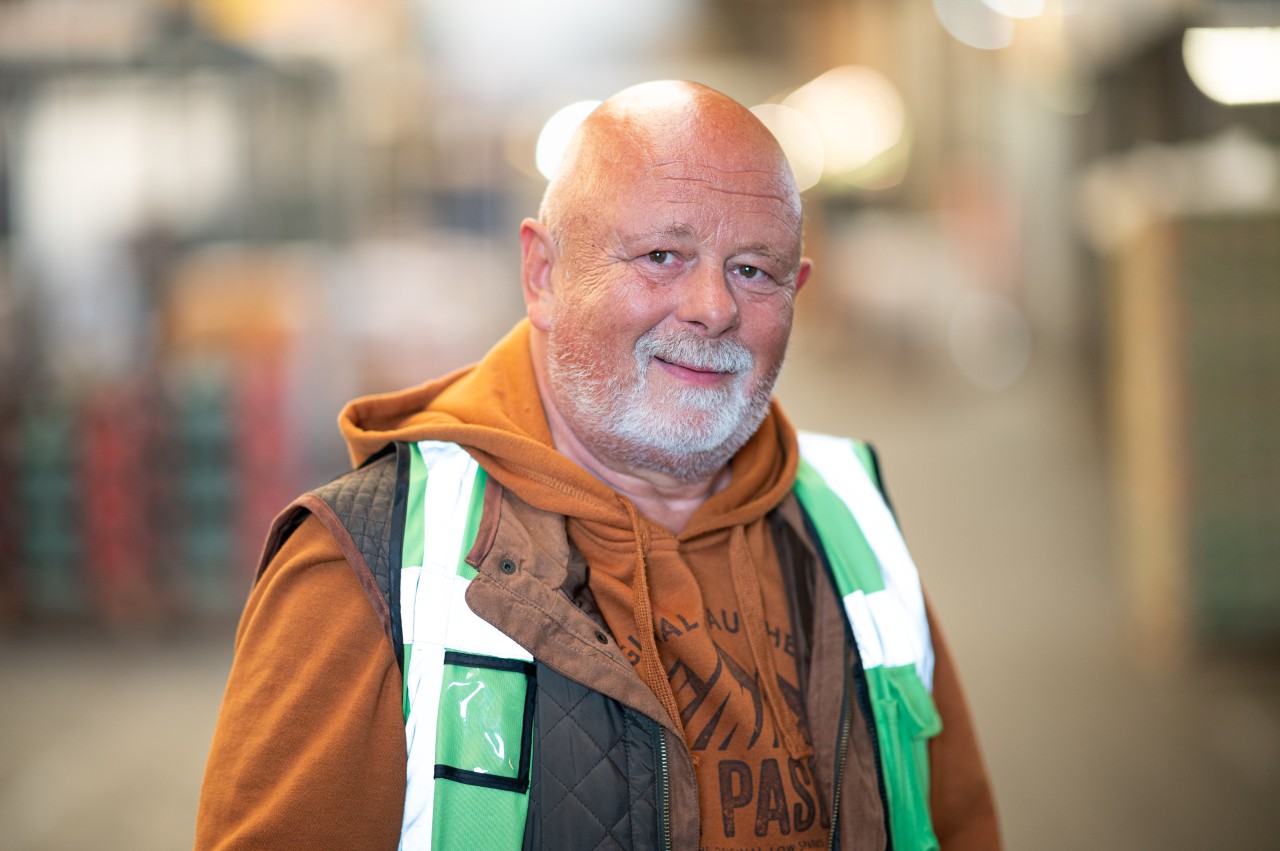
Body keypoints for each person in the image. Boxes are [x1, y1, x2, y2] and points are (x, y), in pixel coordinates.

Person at [196, 80, 1000, 850]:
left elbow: (954, 821)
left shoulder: (849, 518)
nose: (713, 307)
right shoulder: (363, 566)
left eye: (754, 270)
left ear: (801, 291)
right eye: (661, 255)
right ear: (543, 274)